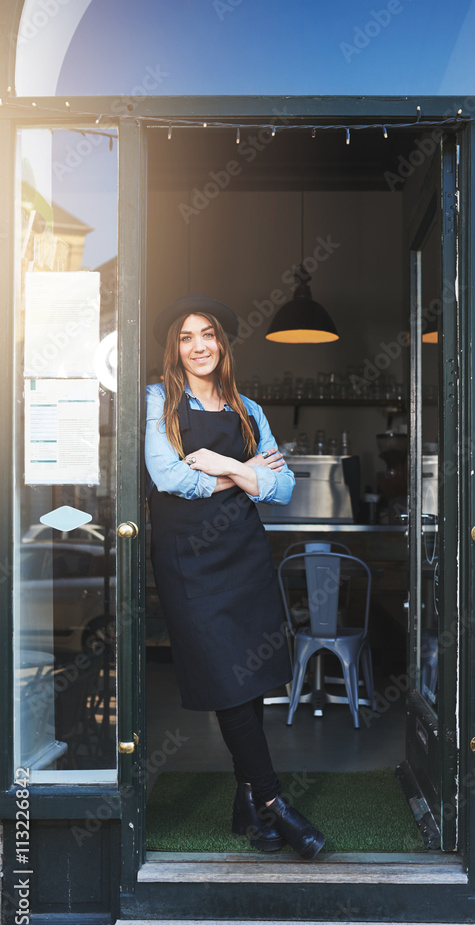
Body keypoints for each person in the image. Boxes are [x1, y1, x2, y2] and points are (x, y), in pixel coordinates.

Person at [145, 294, 325, 861]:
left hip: (243, 554)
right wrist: (244, 475)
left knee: (247, 679)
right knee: (227, 677)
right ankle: (274, 803)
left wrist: (223, 464)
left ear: (222, 343)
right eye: (186, 337)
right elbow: (167, 475)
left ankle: (248, 801)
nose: (199, 346)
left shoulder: (248, 409)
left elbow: (285, 488)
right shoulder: (157, 402)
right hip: (188, 560)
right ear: (175, 348)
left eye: (209, 335)